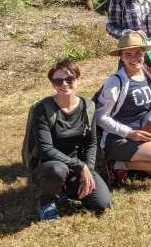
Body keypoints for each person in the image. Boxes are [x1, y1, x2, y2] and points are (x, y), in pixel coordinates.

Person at [29, 60, 112, 221]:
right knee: (58, 170)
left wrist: (89, 170)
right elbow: (46, 149)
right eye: (58, 81)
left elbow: (91, 143)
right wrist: (81, 166)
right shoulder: (43, 108)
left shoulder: (88, 107)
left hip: (77, 166)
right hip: (49, 166)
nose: (64, 84)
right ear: (53, 84)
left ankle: (65, 190)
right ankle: (46, 202)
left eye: (70, 79)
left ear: (78, 79)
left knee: (104, 204)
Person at [97, 32, 151, 185]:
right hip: (120, 138)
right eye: (128, 55)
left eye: (138, 53)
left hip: (145, 136)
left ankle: (128, 165)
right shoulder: (116, 82)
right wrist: (130, 133)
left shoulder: (149, 72)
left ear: (144, 54)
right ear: (121, 57)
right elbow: (100, 117)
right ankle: (116, 165)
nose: (134, 59)